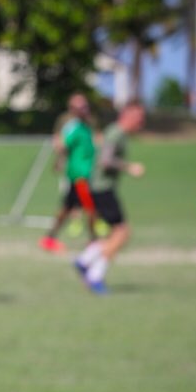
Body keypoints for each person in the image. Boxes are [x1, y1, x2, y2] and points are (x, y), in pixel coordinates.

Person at [74, 100, 146, 294]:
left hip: (101, 188)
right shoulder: (116, 133)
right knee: (122, 233)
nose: (141, 123)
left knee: (114, 234)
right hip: (102, 188)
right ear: (127, 116)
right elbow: (105, 161)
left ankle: (85, 260)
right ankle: (94, 275)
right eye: (139, 118)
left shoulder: (117, 133)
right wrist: (129, 167)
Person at [39, 93, 97, 253]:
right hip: (79, 175)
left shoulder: (87, 126)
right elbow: (61, 144)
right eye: (79, 107)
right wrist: (59, 159)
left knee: (66, 208)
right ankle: (94, 241)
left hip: (85, 174)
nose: (84, 110)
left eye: (85, 106)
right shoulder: (74, 127)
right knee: (91, 208)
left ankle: (49, 238)